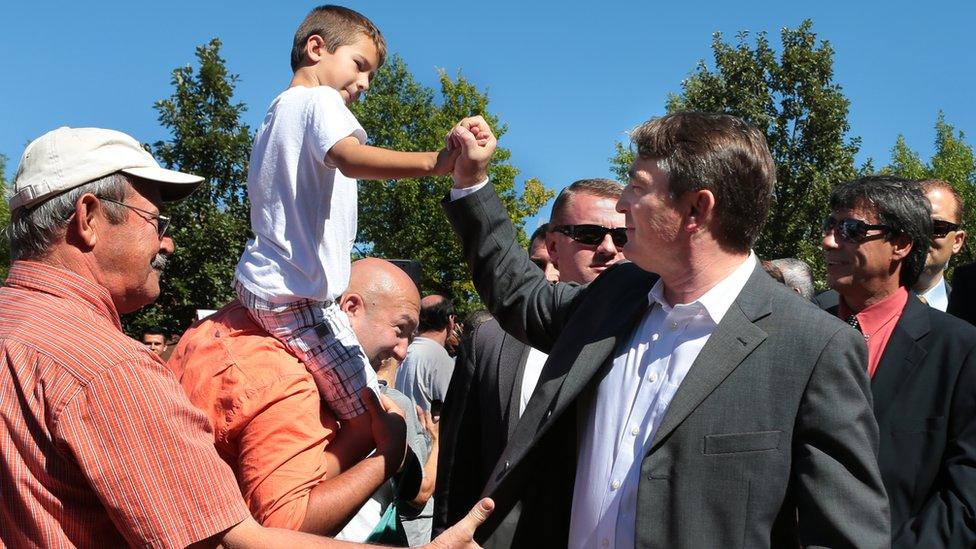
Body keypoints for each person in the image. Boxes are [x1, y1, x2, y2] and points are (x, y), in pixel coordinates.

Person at [0, 126, 492, 548]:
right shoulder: (110, 368)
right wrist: (386, 456)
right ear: (88, 218)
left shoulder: (19, 327)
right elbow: (239, 539)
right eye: (156, 221)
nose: (167, 242)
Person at [442, 112, 889, 547]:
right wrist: (471, 182)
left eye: (637, 187)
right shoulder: (614, 297)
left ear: (697, 207)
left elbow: (844, 535)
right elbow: (521, 297)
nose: (621, 203)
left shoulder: (813, 347)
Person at [232, 5, 463, 459]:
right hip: (296, 297)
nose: (364, 84)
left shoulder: (276, 112)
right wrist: (435, 162)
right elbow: (350, 156)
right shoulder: (318, 101)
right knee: (371, 418)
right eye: (360, 66)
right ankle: (308, 505)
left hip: (281, 286)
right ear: (316, 48)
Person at [170, 258, 421, 534]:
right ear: (351, 308)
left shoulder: (216, 326)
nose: (402, 351)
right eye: (400, 330)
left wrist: (359, 436)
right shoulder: (289, 380)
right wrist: (387, 456)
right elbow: (284, 528)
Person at [434, 179, 624, 541]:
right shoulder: (489, 343)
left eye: (623, 237)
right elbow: (458, 468)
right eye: (589, 234)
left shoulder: (650, 334)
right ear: (553, 245)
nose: (609, 249)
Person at [820, 176, 976, 547]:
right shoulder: (799, 325)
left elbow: (966, 494)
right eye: (830, 226)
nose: (828, 241)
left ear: (901, 245)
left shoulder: (960, 348)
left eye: (851, 230)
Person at [396, 295, 457, 416]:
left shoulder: (401, 353)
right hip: (427, 433)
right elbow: (453, 412)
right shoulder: (442, 361)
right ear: (450, 319)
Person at [912, 179, 966, 311]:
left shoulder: (968, 318)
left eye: (936, 227)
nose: (921, 235)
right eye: (913, 225)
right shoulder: (858, 307)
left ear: (957, 241)